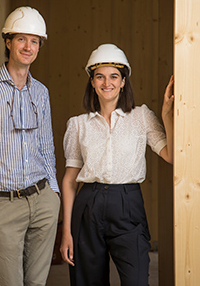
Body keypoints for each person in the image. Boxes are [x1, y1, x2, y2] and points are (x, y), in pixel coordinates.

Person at [60, 43, 173, 286]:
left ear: (123, 81)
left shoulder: (142, 117)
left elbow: (171, 155)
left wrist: (166, 115)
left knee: (136, 280)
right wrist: (66, 232)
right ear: (92, 82)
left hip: (127, 204)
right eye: (99, 76)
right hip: (88, 204)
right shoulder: (78, 125)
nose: (106, 83)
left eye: (114, 76)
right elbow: (70, 180)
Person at [0, 6, 60, 286]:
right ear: (8, 42)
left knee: (37, 283)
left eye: (34, 41)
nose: (28, 46)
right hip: (2, 205)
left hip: (42, 200)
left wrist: (54, 195)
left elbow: (47, 147)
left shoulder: (41, 92)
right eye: (21, 39)